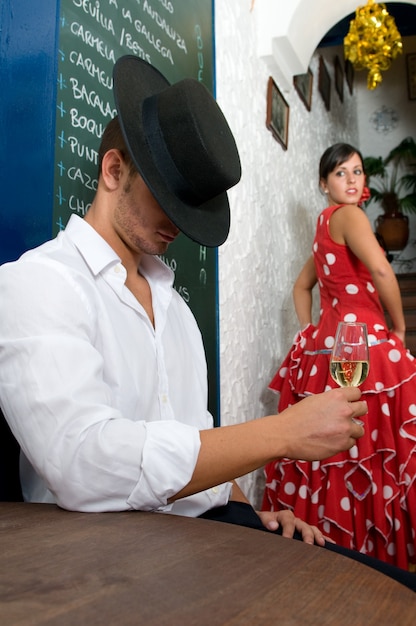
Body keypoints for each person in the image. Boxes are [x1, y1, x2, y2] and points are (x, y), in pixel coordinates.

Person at [0, 58, 414, 591]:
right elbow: (81, 462)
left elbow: (196, 443)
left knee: (388, 586)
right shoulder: (39, 283)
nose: (179, 222)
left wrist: (251, 512)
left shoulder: (177, 310)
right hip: (104, 558)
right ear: (112, 171)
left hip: (210, 528)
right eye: (166, 199)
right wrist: (282, 433)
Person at [262, 142, 416, 573]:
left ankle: (337, 546)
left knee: (337, 451)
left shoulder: (324, 225)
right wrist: (400, 328)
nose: (351, 180)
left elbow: (301, 287)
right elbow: (383, 270)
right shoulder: (350, 216)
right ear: (323, 184)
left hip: (328, 347)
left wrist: (310, 329)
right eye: (340, 173)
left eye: (356, 172)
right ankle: (375, 548)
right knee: (374, 446)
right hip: (364, 345)